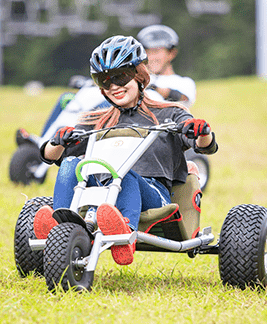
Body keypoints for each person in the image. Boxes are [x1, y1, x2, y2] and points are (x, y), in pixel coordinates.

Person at [33, 35, 217, 265]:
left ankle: (123, 238)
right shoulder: (96, 120)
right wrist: (57, 141)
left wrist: (201, 132)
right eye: (104, 81)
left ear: (139, 75)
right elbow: (51, 157)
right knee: (71, 164)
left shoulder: (170, 114)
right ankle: (60, 230)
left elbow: (205, 146)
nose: (114, 87)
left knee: (122, 174)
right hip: (102, 191)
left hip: (154, 195)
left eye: (120, 77)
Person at [137, 24, 196, 106]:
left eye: (156, 52)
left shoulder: (184, 83)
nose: (151, 57)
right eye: (147, 52)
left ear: (171, 53)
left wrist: (151, 86)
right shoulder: (137, 80)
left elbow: (183, 99)